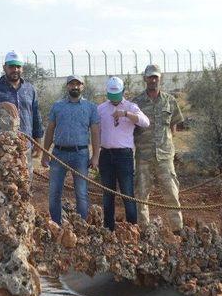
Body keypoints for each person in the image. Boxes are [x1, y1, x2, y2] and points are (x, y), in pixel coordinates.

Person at [41, 75, 100, 224]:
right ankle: (56, 225)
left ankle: (81, 226)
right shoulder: (57, 106)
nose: (75, 87)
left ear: (83, 86)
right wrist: (45, 153)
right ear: (67, 86)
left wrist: (95, 156)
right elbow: (50, 130)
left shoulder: (91, 107)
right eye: (72, 84)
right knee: (54, 193)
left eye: (78, 84)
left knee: (81, 193)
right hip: (58, 154)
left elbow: (95, 132)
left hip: (80, 154)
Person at [132, 64, 185, 232]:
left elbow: (173, 127)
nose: (153, 80)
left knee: (171, 192)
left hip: (165, 156)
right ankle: (144, 231)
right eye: (150, 77)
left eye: (156, 77)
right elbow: (131, 128)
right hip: (143, 156)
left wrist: (165, 144)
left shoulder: (170, 100)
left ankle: (177, 230)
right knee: (141, 195)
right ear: (145, 79)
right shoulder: (136, 103)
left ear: (160, 78)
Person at [97, 76, 149, 231]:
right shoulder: (100, 109)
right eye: (111, 96)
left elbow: (145, 122)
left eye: (116, 95)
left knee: (127, 193)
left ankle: (132, 229)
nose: (114, 99)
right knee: (108, 194)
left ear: (123, 92)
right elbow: (95, 131)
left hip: (124, 156)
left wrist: (126, 114)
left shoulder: (131, 107)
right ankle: (109, 230)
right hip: (106, 155)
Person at [0, 51, 44, 178]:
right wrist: (1, 104)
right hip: (2, 147)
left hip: (25, 146)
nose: (15, 69)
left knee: (25, 183)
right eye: (11, 66)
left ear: (22, 68)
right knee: (3, 184)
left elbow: (36, 117)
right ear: (4, 67)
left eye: (18, 66)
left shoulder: (30, 89)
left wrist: (38, 144)